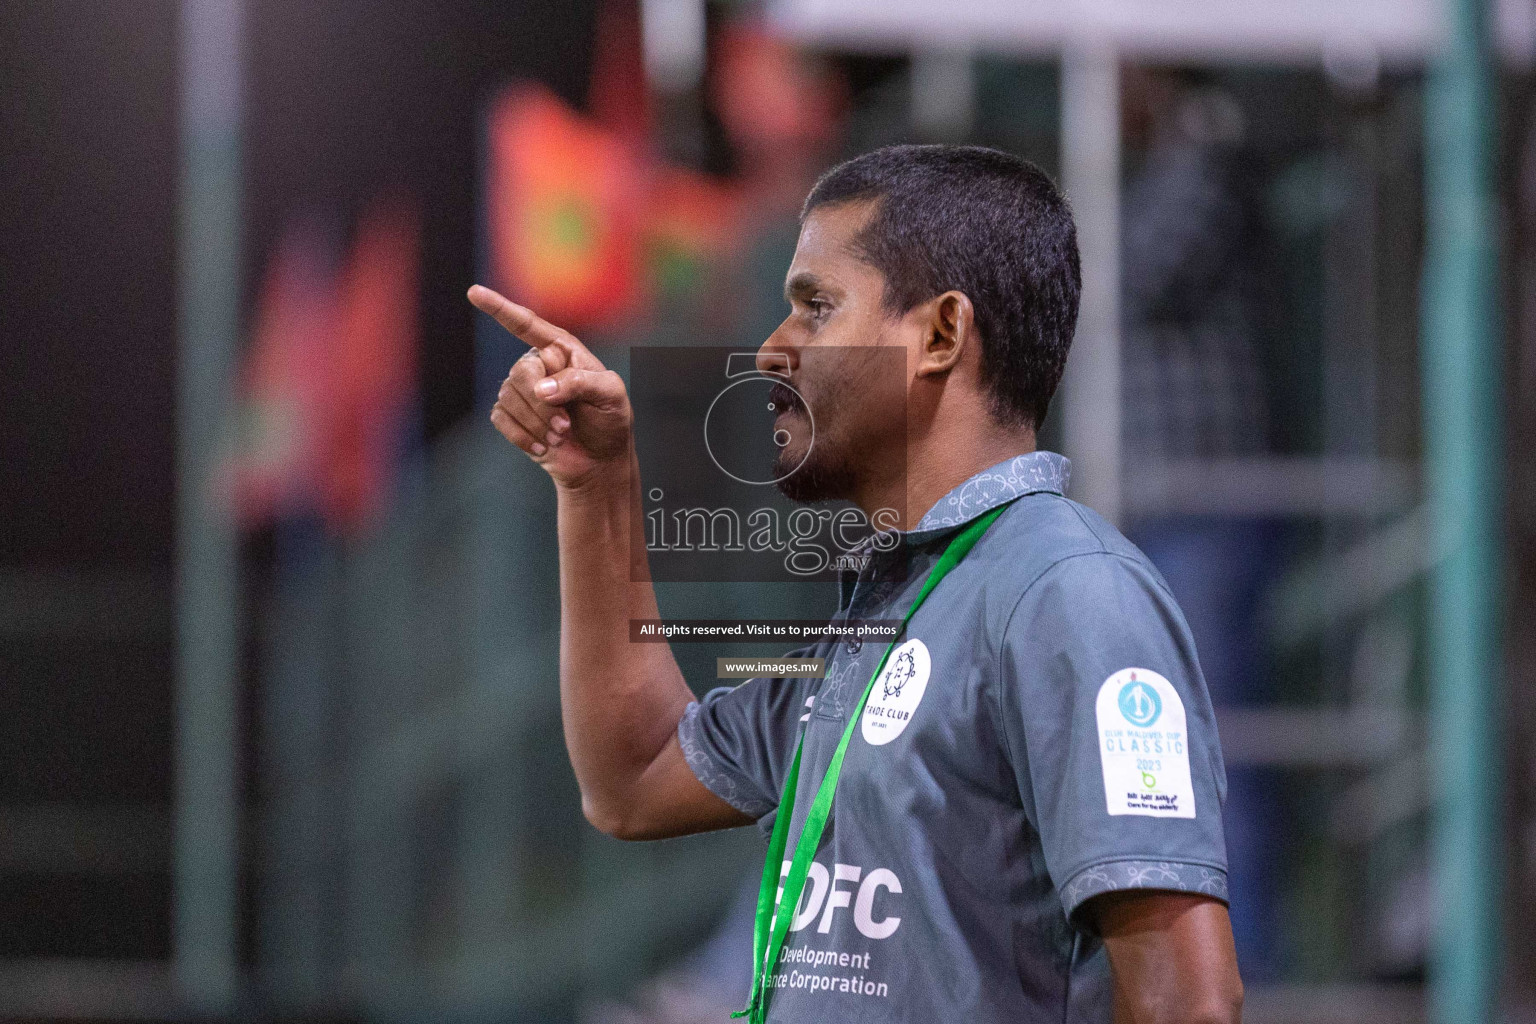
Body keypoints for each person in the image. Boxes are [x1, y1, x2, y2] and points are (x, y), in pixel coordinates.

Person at [470, 144, 1243, 1023]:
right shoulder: (885, 614)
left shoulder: (1069, 594)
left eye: (815, 308)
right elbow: (634, 776)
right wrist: (595, 481)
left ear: (942, 335)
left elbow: (1189, 1002)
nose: (769, 350)